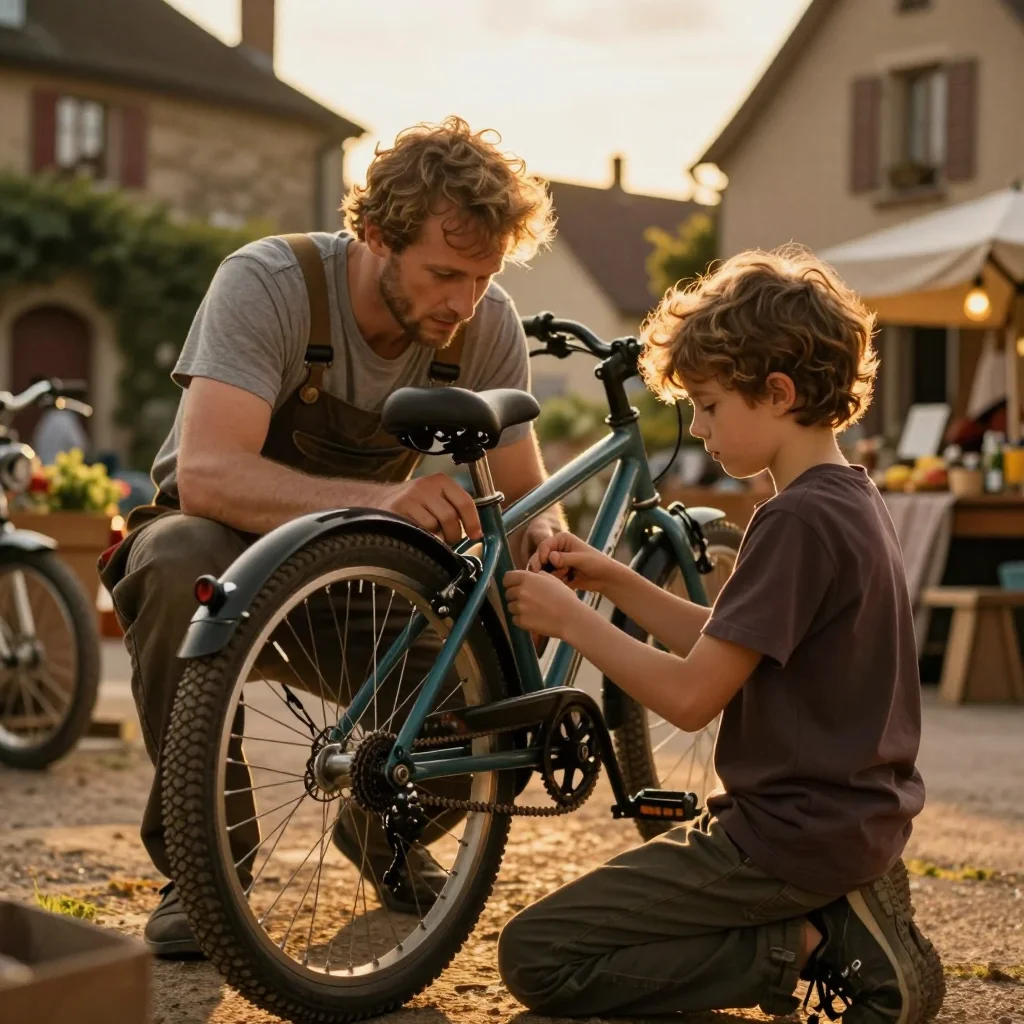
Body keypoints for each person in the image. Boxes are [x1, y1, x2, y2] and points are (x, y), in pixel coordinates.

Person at [98, 117, 562, 958]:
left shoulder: (484, 322)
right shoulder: (270, 284)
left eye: (484, 275)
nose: (464, 304)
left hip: (362, 585)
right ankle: (207, 872)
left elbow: (528, 494)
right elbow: (207, 473)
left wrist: (552, 548)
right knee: (171, 558)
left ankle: (383, 828)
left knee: (506, 695)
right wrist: (386, 501)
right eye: (445, 274)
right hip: (223, 562)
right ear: (376, 235)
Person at [500, 247, 944, 1023]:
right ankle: (832, 914)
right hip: (839, 826)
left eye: (708, 405)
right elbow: (731, 639)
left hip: (784, 839)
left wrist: (571, 621)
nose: (698, 429)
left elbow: (693, 695)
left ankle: (817, 944)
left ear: (777, 393)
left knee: (537, 956)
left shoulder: (795, 520)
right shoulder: (847, 499)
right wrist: (610, 580)